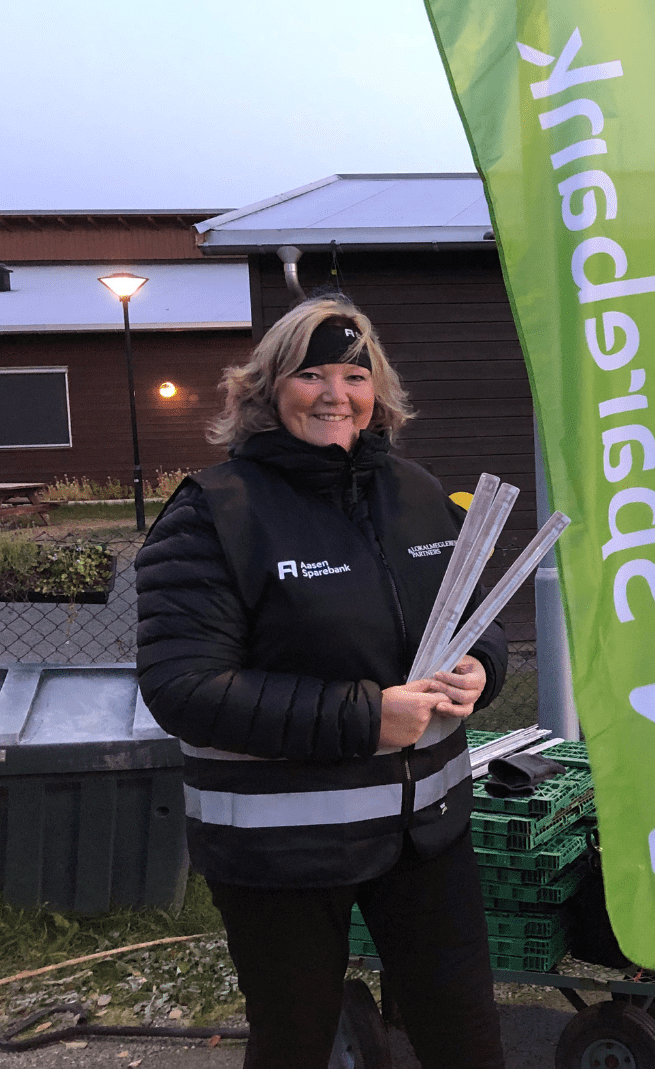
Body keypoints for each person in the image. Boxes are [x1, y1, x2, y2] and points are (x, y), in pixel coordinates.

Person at [136, 295, 508, 1068]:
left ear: (379, 392)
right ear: (266, 389)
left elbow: (476, 615)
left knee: (466, 1038)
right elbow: (183, 687)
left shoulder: (414, 491)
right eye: (311, 374)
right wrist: (364, 716)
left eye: (354, 374)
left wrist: (483, 666)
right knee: (297, 1041)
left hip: (425, 833)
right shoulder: (215, 512)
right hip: (282, 850)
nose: (336, 394)